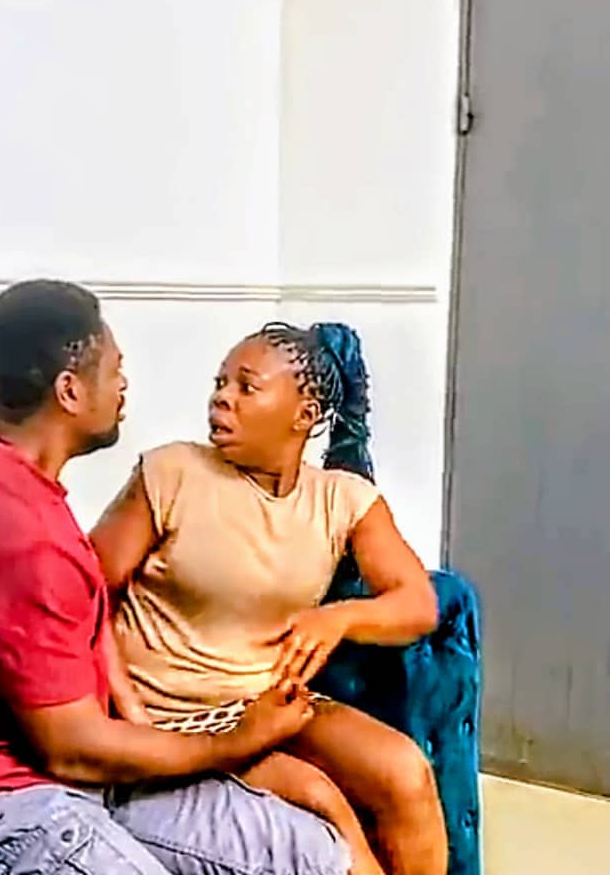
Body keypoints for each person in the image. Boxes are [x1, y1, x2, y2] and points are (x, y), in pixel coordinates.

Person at [0, 281, 353, 875]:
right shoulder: (17, 531)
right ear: (70, 391)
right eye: (114, 370)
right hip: (8, 797)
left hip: (88, 773)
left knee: (315, 854)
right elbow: (71, 748)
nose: (124, 384)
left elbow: (80, 627)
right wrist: (236, 742)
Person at [91, 322, 448, 875]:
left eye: (246, 386)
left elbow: (418, 605)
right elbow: (84, 595)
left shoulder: (342, 498)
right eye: (220, 383)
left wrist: (340, 618)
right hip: (173, 715)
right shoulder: (170, 472)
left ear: (304, 414)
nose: (221, 398)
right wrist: (130, 715)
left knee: (405, 771)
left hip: (271, 701)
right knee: (317, 798)